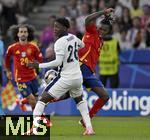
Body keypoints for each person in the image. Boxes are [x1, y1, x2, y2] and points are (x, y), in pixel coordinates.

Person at [27, 17, 94, 135]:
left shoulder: (59, 42)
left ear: (65, 27)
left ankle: (35, 129)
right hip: (78, 77)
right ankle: (89, 129)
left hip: (66, 77)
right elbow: (82, 45)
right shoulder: (74, 37)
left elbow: (57, 62)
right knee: (80, 101)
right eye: (54, 26)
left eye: (57, 27)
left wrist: (39, 65)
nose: (54, 29)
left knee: (41, 100)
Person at [78, 8, 114, 126]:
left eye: (105, 30)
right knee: (67, 94)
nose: (101, 31)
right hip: (81, 67)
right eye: (100, 28)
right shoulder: (91, 31)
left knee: (104, 96)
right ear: (97, 27)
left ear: (108, 32)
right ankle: (42, 102)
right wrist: (103, 12)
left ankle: (86, 119)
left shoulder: (101, 41)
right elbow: (88, 19)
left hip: (89, 72)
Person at [5, 24, 43, 111]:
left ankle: (21, 101)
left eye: (25, 32)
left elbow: (40, 60)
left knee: (36, 100)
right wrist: (8, 71)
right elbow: (6, 59)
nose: (23, 34)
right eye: (21, 32)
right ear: (17, 34)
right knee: (33, 100)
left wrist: (34, 64)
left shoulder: (34, 47)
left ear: (28, 34)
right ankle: (37, 120)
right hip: (20, 79)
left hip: (33, 77)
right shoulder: (12, 48)